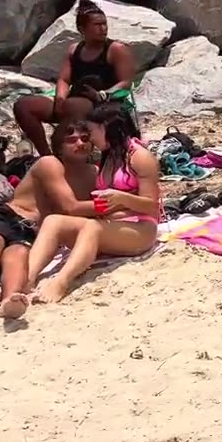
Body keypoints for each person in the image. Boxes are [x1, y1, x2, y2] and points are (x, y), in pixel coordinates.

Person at [25, 104, 160, 304]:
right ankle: (26, 279)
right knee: (54, 221)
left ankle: (60, 283)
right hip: (111, 226)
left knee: (92, 227)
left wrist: (123, 198)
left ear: (106, 128)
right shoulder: (108, 157)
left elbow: (152, 206)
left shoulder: (140, 157)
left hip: (141, 227)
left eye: (92, 132)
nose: (91, 139)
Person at [0, 122, 98, 319]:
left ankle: (9, 302)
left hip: (28, 231)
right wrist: (119, 203)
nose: (80, 143)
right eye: (72, 140)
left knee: (17, 258)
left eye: (85, 139)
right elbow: (69, 207)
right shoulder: (49, 163)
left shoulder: (92, 173)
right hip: (4, 215)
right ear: (59, 146)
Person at [13, 0, 137, 156]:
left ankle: (64, 151)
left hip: (102, 100)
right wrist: (59, 99)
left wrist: (104, 94)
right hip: (74, 98)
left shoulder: (116, 50)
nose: (103, 28)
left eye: (104, 24)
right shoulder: (74, 50)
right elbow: (64, 79)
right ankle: (47, 155)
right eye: (97, 25)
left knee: (72, 106)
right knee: (23, 106)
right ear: (81, 29)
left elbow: (126, 82)